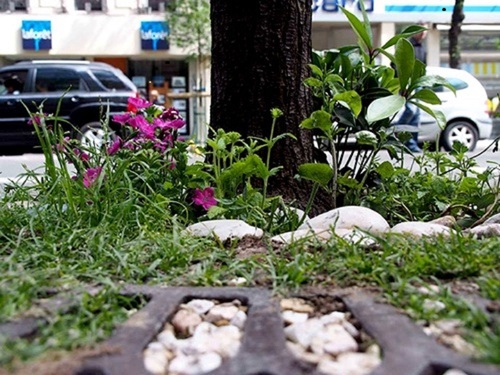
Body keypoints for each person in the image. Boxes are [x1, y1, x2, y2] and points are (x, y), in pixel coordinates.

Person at [394, 23, 428, 153]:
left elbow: (423, 67)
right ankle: (395, 132)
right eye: (421, 31)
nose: (423, 34)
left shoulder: (422, 48)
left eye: (425, 31)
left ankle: (411, 143)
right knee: (411, 111)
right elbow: (397, 64)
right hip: (407, 83)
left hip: (417, 83)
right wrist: (402, 84)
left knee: (417, 114)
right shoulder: (407, 46)